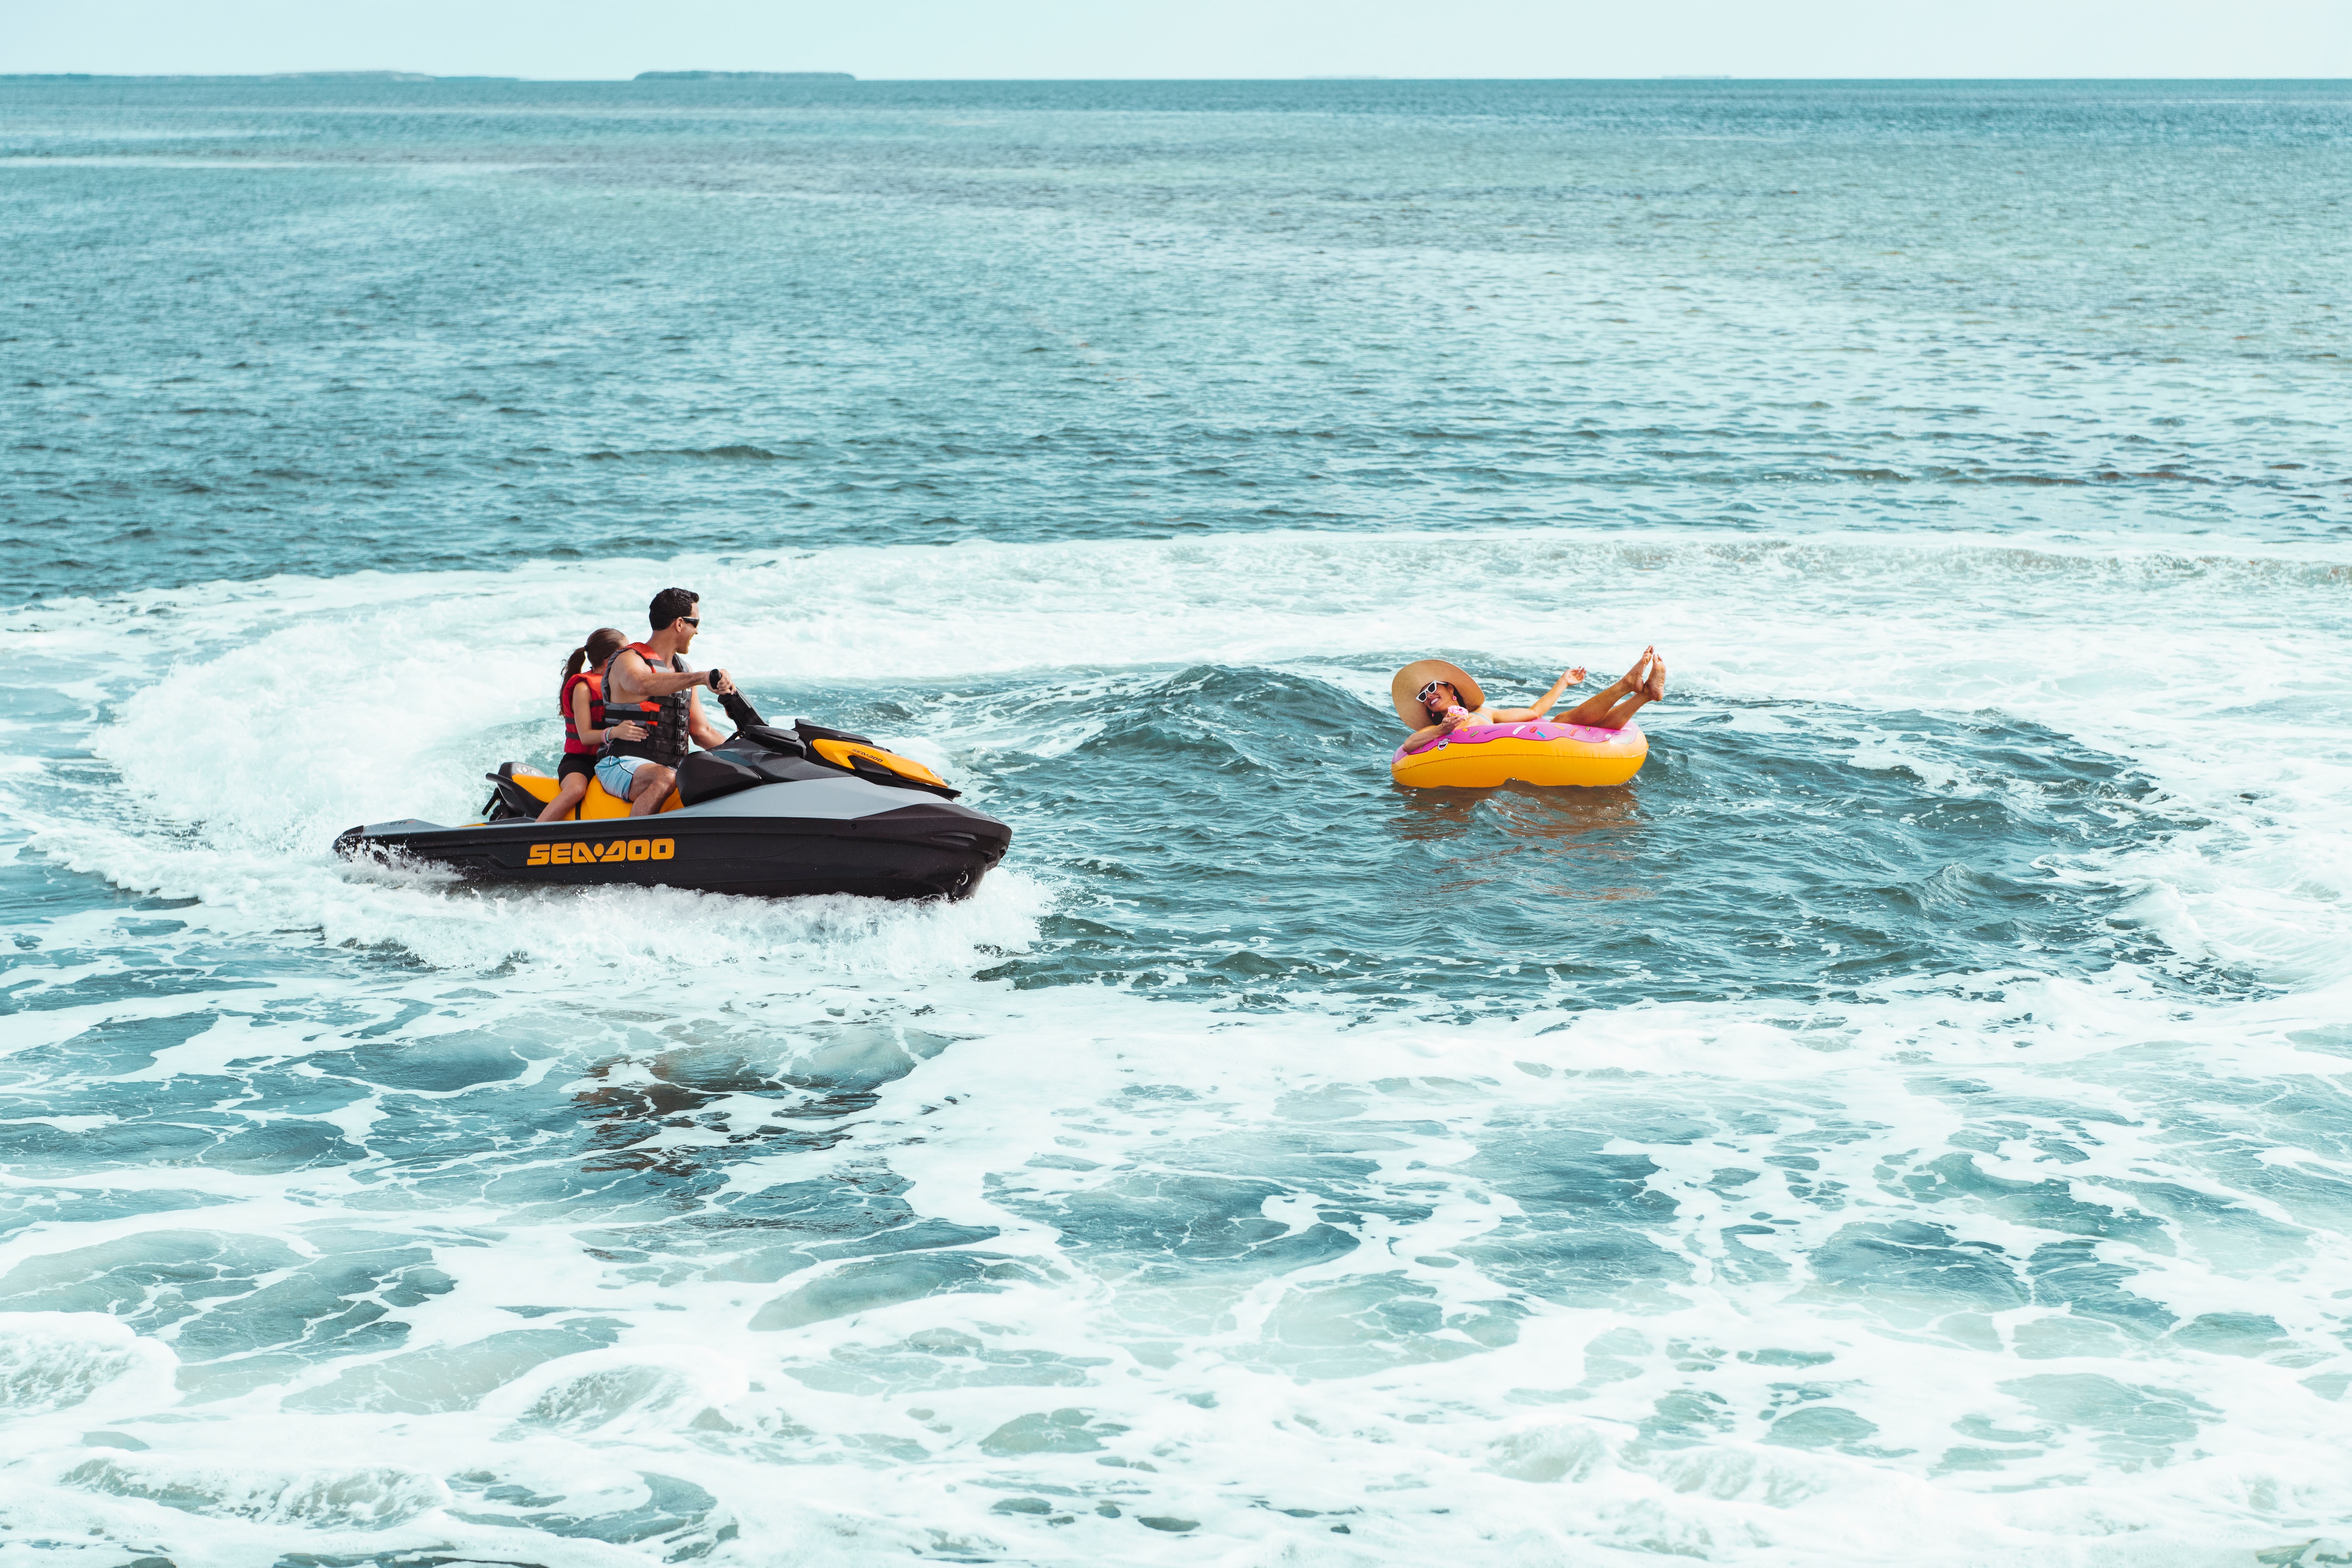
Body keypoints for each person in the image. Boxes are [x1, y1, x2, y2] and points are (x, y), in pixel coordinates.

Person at [596, 587, 739, 817]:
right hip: (621, 763)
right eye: (696, 624)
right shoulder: (628, 660)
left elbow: (702, 731)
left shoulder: (683, 670)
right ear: (680, 623)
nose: (697, 632)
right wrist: (702, 678)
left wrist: (743, 758)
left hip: (670, 768)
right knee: (665, 778)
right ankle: (633, 845)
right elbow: (642, 684)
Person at [1391, 647, 1665, 752]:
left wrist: (1563, 682)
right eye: (1422, 696)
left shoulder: (1486, 713)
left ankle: (1637, 691)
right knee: (1562, 721)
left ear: (1451, 689)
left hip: (1522, 746)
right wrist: (1444, 729)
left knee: (1559, 721)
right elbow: (1409, 744)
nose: (1428, 697)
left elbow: (1535, 712)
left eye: (1431, 689)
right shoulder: (1435, 731)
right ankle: (1639, 693)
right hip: (1491, 755)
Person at [537, 628, 648, 822]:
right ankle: (534, 833)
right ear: (613, 657)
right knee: (576, 790)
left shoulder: (621, 684)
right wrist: (616, 732)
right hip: (580, 761)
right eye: (627, 652)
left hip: (611, 759)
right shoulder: (583, 688)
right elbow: (585, 736)